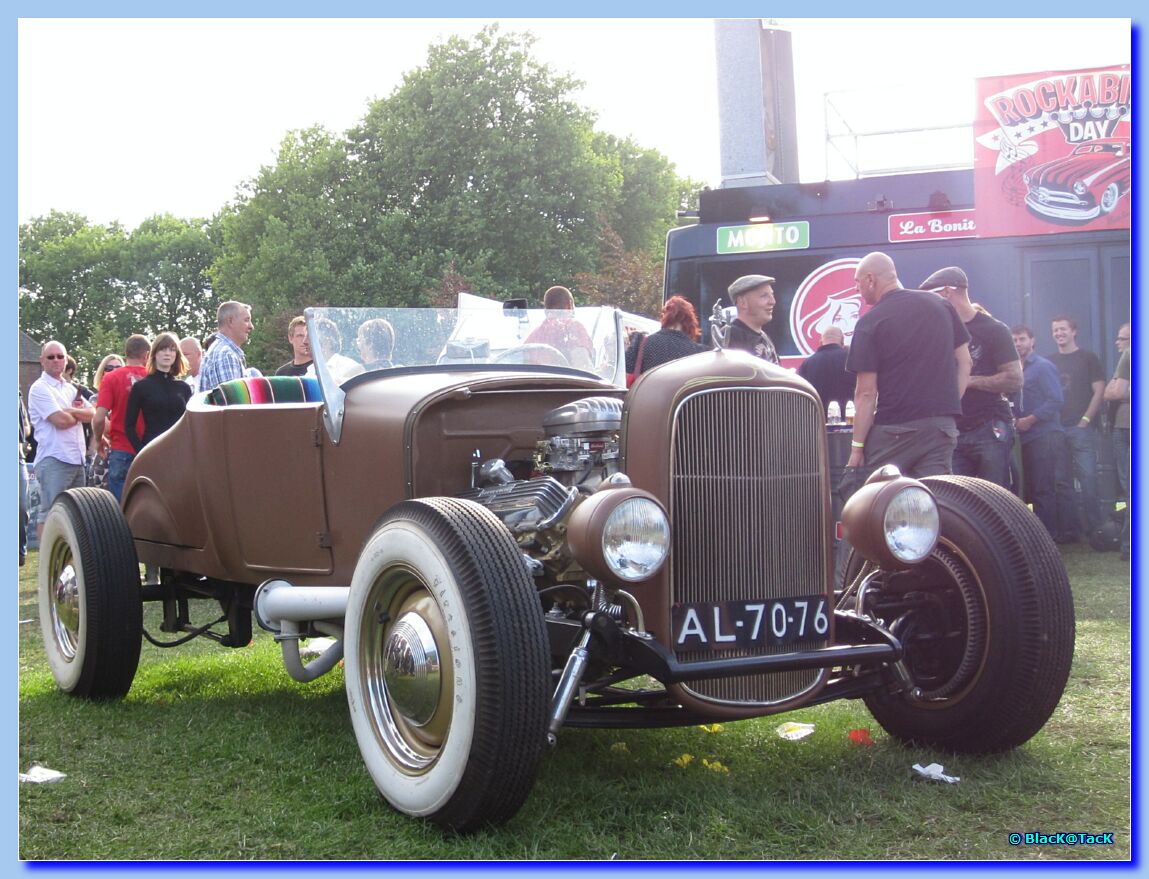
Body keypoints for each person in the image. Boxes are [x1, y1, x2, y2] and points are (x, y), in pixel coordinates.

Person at [844, 252, 971, 479]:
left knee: (882, 503)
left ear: (871, 279)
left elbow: (865, 393)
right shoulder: (941, 305)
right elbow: (965, 362)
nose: (856, 289)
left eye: (857, 282)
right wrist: (948, 406)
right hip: (941, 427)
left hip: (894, 430)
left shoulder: (870, 322)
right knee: (936, 500)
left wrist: (857, 448)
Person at [920, 267, 1021, 488]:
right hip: (952, 431)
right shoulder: (938, 332)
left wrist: (968, 380)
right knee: (956, 501)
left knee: (996, 499)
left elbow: (1015, 379)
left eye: (932, 296)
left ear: (947, 291)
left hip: (989, 425)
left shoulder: (994, 330)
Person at [27, 341, 93, 539]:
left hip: (77, 459)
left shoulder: (71, 388)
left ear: (66, 360)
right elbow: (60, 421)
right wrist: (78, 414)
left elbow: (94, 414)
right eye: (51, 357)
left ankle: (67, 561)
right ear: (42, 361)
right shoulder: (40, 388)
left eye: (60, 356)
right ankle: (48, 566)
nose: (56, 360)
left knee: (75, 516)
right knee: (50, 513)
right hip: (54, 458)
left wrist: (71, 411)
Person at [1049, 315, 1106, 542]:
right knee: (1062, 481)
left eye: (1063, 329)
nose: (1059, 333)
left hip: (1080, 428)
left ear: (1074, 331)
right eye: (1055, 330)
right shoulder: (1049, 361)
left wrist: (1085, 420)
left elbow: (1099, 391)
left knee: (1089, 477)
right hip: (1057, 429)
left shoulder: (1088, 358)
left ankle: (1097, 529)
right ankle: (1071, 531)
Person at [1012, 325, 1066, 541]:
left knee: (1043, 488)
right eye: (1014, 340)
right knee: (1029, 487)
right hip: (1023, 438)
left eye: (1022, 339)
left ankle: (1047, 538)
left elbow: (1056, 400)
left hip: (1044, 434)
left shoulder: (1043, 367)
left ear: (1032, 341)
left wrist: (1030, 419)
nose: (1018, 344)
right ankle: (1031, 536)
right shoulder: (1015, 369)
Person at [91, 334, 150, 501]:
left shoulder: (111, 378)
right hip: (149, 449)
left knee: (120, 508)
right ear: (146, 355)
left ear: (126, 354)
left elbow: (99, 417)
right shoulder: (153, 377)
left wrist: (99, 438)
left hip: (121, 448)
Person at [124, 333, 193, 452]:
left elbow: (190, 424)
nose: (167, 353)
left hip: (180, 452)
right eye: (163, 349)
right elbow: (129, 426)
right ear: (154, 353)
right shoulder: (141, 387)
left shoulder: (184, 388)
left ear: (176, 355)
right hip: (152, 450)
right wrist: (142, 451)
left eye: (172, 350)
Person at [624, 295, 708, 377]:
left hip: (649, 390)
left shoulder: (642, 342)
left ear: (664, 315)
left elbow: (624, 370)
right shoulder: (700, 352)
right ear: (689, 321)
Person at [1103, 323, 1131, 560]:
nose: (1118, 343)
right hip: (1123, 426)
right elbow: (1108, 392)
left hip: (1127, 426)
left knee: (1131, 486)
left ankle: (1130, 547)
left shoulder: (1130, 354)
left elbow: (1115, 391)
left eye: (1122, 338)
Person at [524, 286, 594, 369]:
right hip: (564, 381)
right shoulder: (574, 327)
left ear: (545, 310)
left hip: (535, 381)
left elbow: (524, 364)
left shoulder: (533, 336)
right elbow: (583, 366)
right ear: (569, 306)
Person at [797, 326, 854, 416]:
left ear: (820, 342)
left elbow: (801, 396)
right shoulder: (852, 359)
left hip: (818, 422)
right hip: (850, 422)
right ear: (842, 340)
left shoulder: (807, 364)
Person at [199, 301, 254, 393]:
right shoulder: (225, 355)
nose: (251, 326)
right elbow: (231, 405)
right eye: (246, 320)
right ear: (230, 321)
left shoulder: (224, 352)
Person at [724, 274, 779, 364]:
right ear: (742, 302)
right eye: (764, 296)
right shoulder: (729, 336)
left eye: (772, 295)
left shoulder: (764, 337)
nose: (772, 301)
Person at [312, 317, 365, 383]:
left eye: (311, 340)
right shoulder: (311, 369)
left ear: (328, 342)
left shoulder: (350, 367)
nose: (304, 342)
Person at [19, 392, 31, 566]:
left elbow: (27, 426)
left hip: (17, 456)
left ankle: (19, 550)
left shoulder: (17, 395)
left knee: (22, 506)